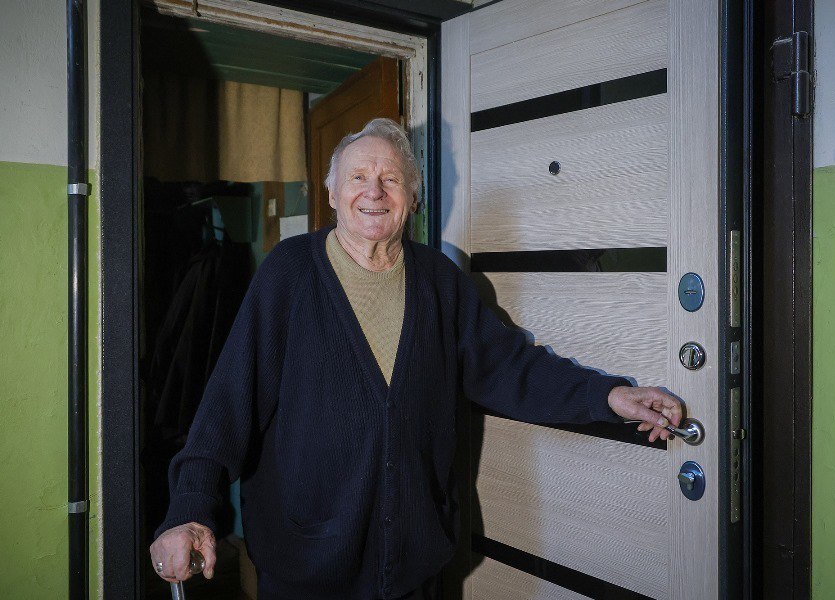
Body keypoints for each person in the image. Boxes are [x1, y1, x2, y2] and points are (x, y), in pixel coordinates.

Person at [150, 118, 682, 599]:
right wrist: (189, 509)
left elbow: (509, 368)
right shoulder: (289, 273)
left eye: (391, 179)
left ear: (412, 196)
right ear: (333, 193)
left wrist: (609, 395)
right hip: (306, 564)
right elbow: (229, 403)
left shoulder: (439, 280)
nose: (374, 191)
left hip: (413, 566)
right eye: (358, 177)